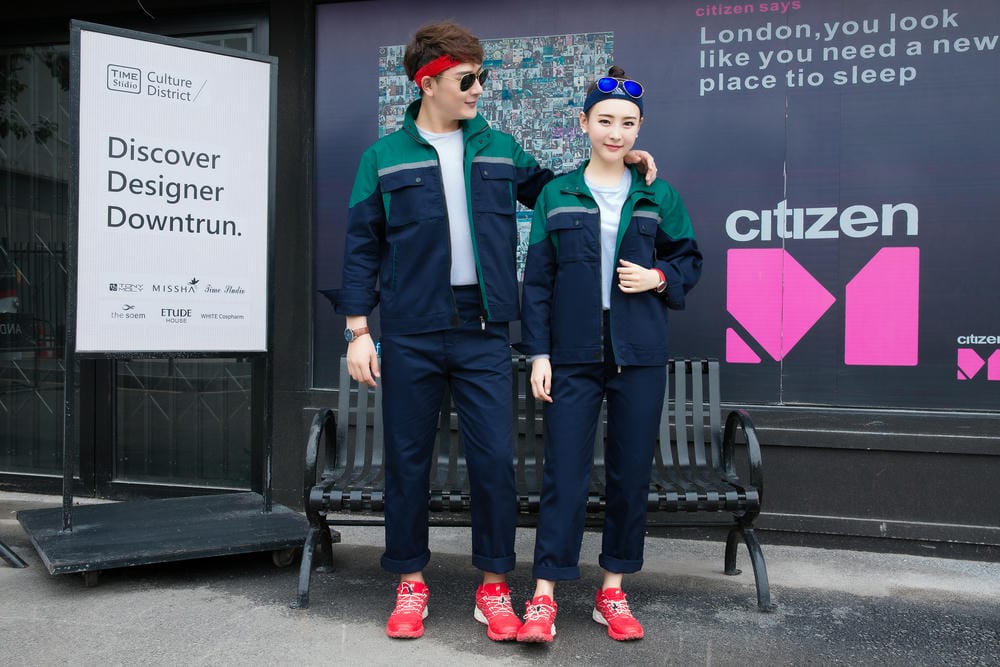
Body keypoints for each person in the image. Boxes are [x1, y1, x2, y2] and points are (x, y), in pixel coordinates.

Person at [326, 24, 658, 641]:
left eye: (482, 77)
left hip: (482, 329)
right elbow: (360, 247)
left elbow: (559, 190)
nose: (479, 88)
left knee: (494, 463)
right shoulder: (383, 157)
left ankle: (494, 586)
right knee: (407, 461)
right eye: (467, 79)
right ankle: (410, 582)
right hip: (411, 329)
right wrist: (357, 331)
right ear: (428, 83)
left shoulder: (500, 147)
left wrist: (620, 161)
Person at [516, 66, 703, 643]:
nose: (615, 132)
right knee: (564, 475)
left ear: (639, 128)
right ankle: (544, 596)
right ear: (583, 124)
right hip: (572, 355)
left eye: (626, 123)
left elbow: (689, 259)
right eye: (604, 121)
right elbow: (537, 282)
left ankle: (613, 591)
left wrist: (658, 278)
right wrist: (539, 353)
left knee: (629, 474)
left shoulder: (657, 194)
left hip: (638, 353)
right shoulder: (557, 193)